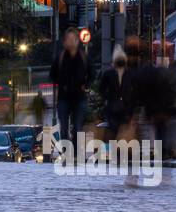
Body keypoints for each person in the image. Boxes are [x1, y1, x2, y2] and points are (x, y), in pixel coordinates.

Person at [49, 28, 89, 159]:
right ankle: (67, 153)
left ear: (78, 41)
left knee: (77, 127)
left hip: (79, 97)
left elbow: (92, 73)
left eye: (73, 39)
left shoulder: (83, 57)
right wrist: (62, 84)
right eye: (69, 40)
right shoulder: (60, 58)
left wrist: (85, 85)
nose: (71, 43)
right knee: (64, 128)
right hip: (64, 97)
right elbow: (52, 75)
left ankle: (76, 154)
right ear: (65, 42)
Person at [96, 45, 130, 147]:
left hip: (119, 105)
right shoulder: (111, 74)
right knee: (116, 129)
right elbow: (102, 89)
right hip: (115, 105)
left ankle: (117, 148)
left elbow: (101, 89)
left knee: (116, 129)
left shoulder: (111, 74)